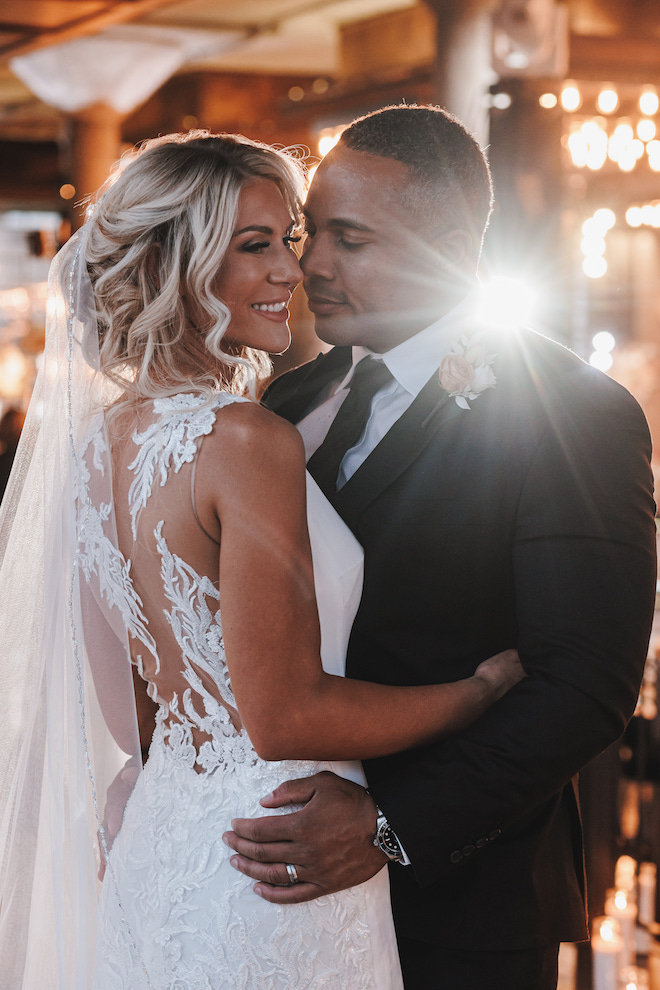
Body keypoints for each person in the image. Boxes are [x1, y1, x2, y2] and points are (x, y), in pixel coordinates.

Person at [0, 130, 524, 989]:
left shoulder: (98, 446)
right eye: (255, 247)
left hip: (161, 844)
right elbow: (286, 715)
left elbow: (130, 711)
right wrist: (477, 695)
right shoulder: (247, 439)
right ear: (179, 266)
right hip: (277, 856)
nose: (294, 270)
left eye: (289, 238)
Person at [223, 105, 658, 990]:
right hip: (273, 893)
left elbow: (583, 684)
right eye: (314, 234)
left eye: (350, 239)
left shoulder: (573, 413)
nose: (311, 265)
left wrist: (387, 825)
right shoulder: (285, 399)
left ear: (451, 247)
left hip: (461, 908)